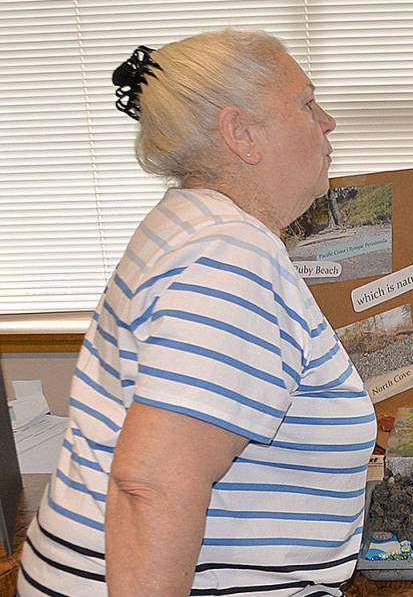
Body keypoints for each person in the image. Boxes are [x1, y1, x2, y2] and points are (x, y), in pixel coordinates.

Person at [18, 30, 376, 596]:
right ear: (240, 133)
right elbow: (153, 485)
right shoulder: (230, 253)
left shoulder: (187, 222)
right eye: (306, 103)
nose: (327, 121)